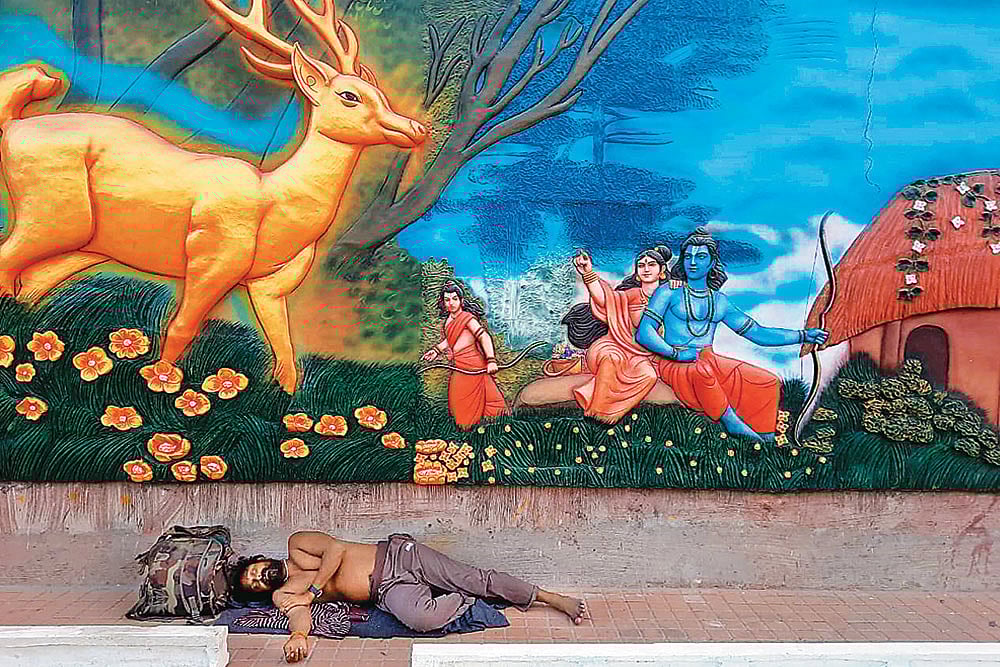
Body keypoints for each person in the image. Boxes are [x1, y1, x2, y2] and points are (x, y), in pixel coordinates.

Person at [231, 531, 588, 663]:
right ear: (262, 592)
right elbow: (298, 614)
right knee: (422, 619)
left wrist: (314, 590)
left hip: (400, 556)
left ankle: (551, 598)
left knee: (472, 577)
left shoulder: (297, 546)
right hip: (386, 590)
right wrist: (298, 637)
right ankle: (462, 598)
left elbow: (336, 550)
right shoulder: (284, 594)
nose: (260, 576)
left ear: (261, 558)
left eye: (255, 569)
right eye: (255, 583)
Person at [635, 227, 829, 441]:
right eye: (688, 256)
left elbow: (758, 333)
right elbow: (644, 333)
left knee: (767, 381)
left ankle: (765, 439)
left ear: (711, 263)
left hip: (710, 359)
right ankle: (732, 423)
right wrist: (674, 353)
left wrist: (803, 336)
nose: (692, 262)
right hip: (674, 362)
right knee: (701, 371)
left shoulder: (719, 301)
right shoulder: (669, 292)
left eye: (700, 257)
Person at [564, 246, 679, 423]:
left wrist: (681, 287)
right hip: (612, 346)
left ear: (662, 271)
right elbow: (604, 299)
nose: (646, 269)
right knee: (613, 360)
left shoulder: (670, 296)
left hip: (641, 357)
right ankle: (595, 416)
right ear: (637, 273)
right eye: (641, 265)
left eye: (651, 264)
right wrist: (587, 273)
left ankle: (609, 416)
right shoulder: (632, 295)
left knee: (649, 376)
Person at [422, 280, 510, 430]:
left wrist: (491, 360)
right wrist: (436, 350)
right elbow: (451, 341)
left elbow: (484, 337)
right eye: (447, 300)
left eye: (455, 299)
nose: (451, 303)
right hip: (459, 366)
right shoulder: (449, 320)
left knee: (485, 402)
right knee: (457, 401)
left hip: (474, 366)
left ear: (461, 301)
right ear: (443, 302)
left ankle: (487, 431)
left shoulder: (468, 318)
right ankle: (469, 431)